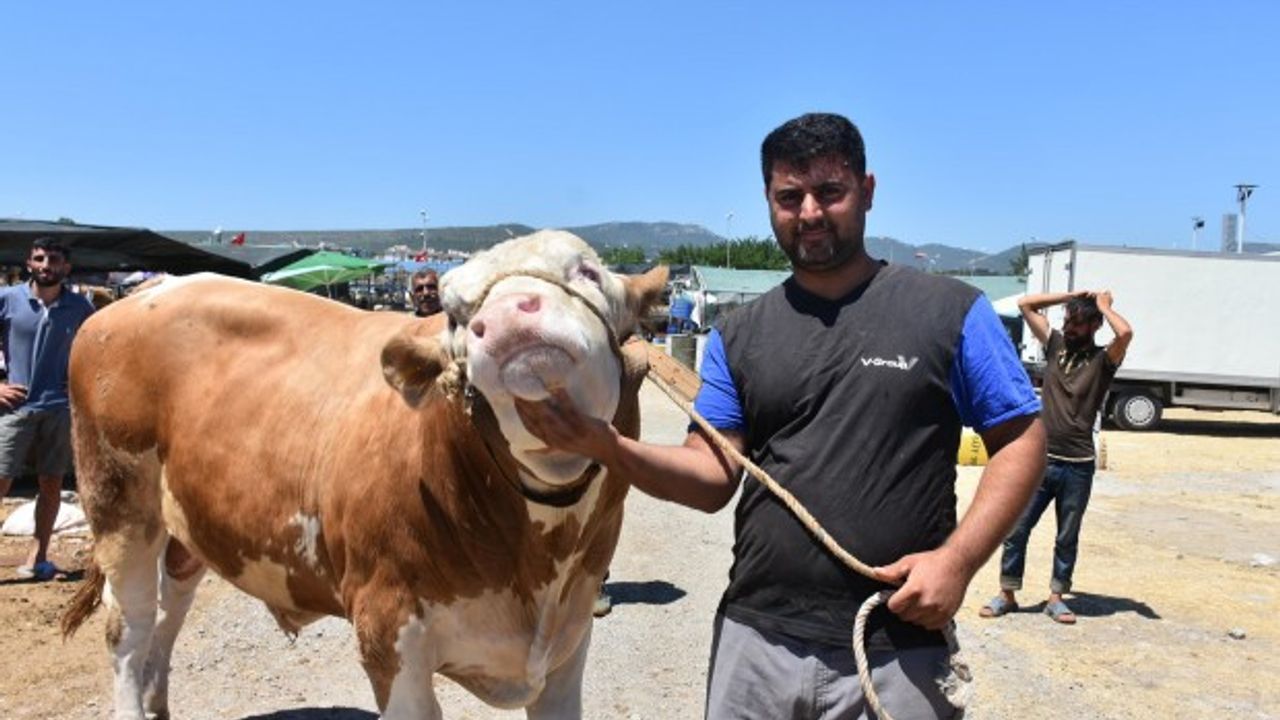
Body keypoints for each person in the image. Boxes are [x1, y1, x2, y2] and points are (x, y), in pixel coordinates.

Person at [514, 112, 1046, 719]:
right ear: (768, 201)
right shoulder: (740, 334)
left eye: (830, 192)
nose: (811, 213)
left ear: (867, 192)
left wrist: (957, 561)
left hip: (897, 645)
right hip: (757, 637)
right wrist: (605, 445)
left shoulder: (950, 312)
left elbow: (1022, 439)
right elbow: (713, 478)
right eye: (790, 197)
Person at [981, 290, 1132, 624]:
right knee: (1017, 528)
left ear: (1094, 325)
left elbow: (1125, 333)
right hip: (1040, 460)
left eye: (1078, 323)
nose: (1070, 328)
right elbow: (1025, 305)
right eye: (1068, 321)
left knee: (1067, 535)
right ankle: (1007, 593)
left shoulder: (1103, 360)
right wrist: (1074, 295)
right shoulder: (1056, 345)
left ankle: (1056, 597)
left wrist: (1105, 306)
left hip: (1078, 465)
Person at [0, 238, 96, 581]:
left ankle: (38, 558)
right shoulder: (8, 299)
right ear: (29, 264)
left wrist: (81, 382)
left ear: (65, 268)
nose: (46, 265)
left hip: (59, 409)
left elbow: (96, 350)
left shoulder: (80, 307)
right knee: (2, 479)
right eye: (39, 259)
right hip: (15, 406)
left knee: (51, 483)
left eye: (53, 260)